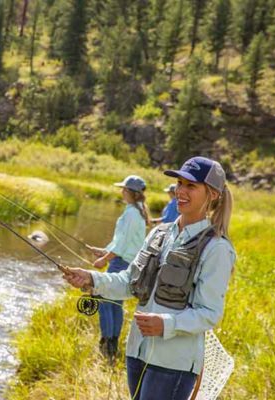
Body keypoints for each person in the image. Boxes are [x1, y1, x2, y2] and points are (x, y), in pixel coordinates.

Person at [63, 156, 235, 400]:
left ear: (213, 194)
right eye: (179, 183)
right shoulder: (159, 233)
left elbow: (209, 313)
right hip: (137, 352)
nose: (181, 191)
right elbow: (129, 282)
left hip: (173, 364)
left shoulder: (217, 248)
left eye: (191, 186)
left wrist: (166, 324)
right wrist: (91, 279)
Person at [86, 175, 149, 361]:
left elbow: (122, 246)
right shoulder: (136, 211)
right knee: (115, 303)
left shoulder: (131, 213)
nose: (121, 191)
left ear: (130, 192)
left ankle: (107, 343)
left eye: (124, 189)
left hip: (121, 263)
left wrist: (104, 259)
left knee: (104, 300)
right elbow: (121, 241)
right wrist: (103, 250)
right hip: (125, 261)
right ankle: (111, 346)